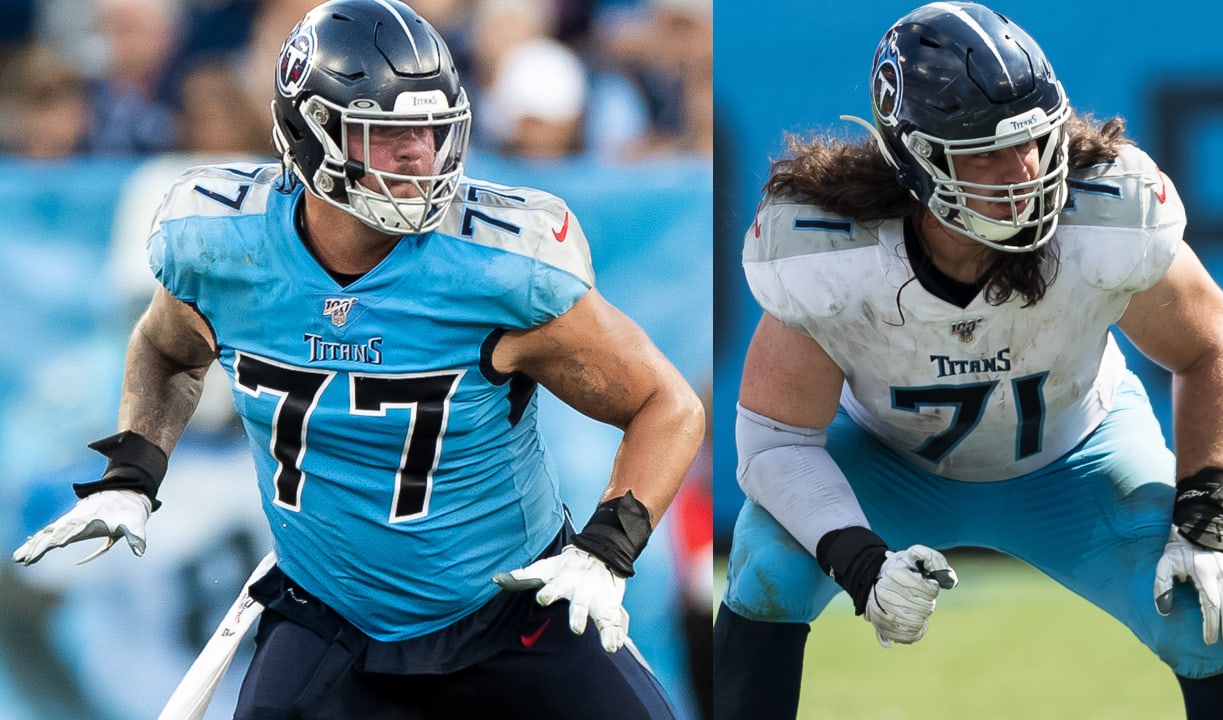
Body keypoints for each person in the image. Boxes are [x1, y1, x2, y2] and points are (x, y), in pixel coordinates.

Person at [11, 1, 704, 718]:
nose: (420, 155)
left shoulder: (500, 267)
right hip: (328, 620)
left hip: (512, 610)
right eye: (389, 132)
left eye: (433, 129)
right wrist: (133, 469)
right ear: (310, 137)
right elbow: (165, 346)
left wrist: (605, 550)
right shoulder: (222, 250)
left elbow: (666, 404)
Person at [712, 3, 1223, 719]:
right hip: (889, 461)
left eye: (1037, 141)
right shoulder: (834, 253)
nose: (1025, 172)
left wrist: (1206, 517)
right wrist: (857, 559)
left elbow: (1207, 344)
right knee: (767, 572)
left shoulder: (1104, 217)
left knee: (1207, 616)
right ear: (914, 158)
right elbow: (777, 437)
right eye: (984, 151)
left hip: (1079, 454)